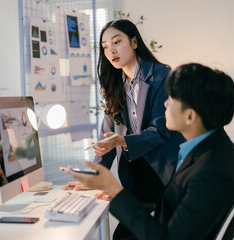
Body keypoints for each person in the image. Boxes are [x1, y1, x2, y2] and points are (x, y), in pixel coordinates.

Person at [64, 63, 234, 240]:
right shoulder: (212, 148)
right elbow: (177, 208)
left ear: (190, 116)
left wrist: (113, 187)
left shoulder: (210, 171)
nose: (166, 104)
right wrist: (119, 197)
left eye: (172, 99)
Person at [63, 19, 184, 239]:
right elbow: (106, 140)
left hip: (161, 172)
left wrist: (121, 141)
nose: (111, 50)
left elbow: (161, 131)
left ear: (134, 42)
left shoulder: (161, 76)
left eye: (117, 42)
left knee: (123, 236)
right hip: (133, 174)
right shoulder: (115, 84)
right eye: (105, 47)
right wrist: (92, 178)